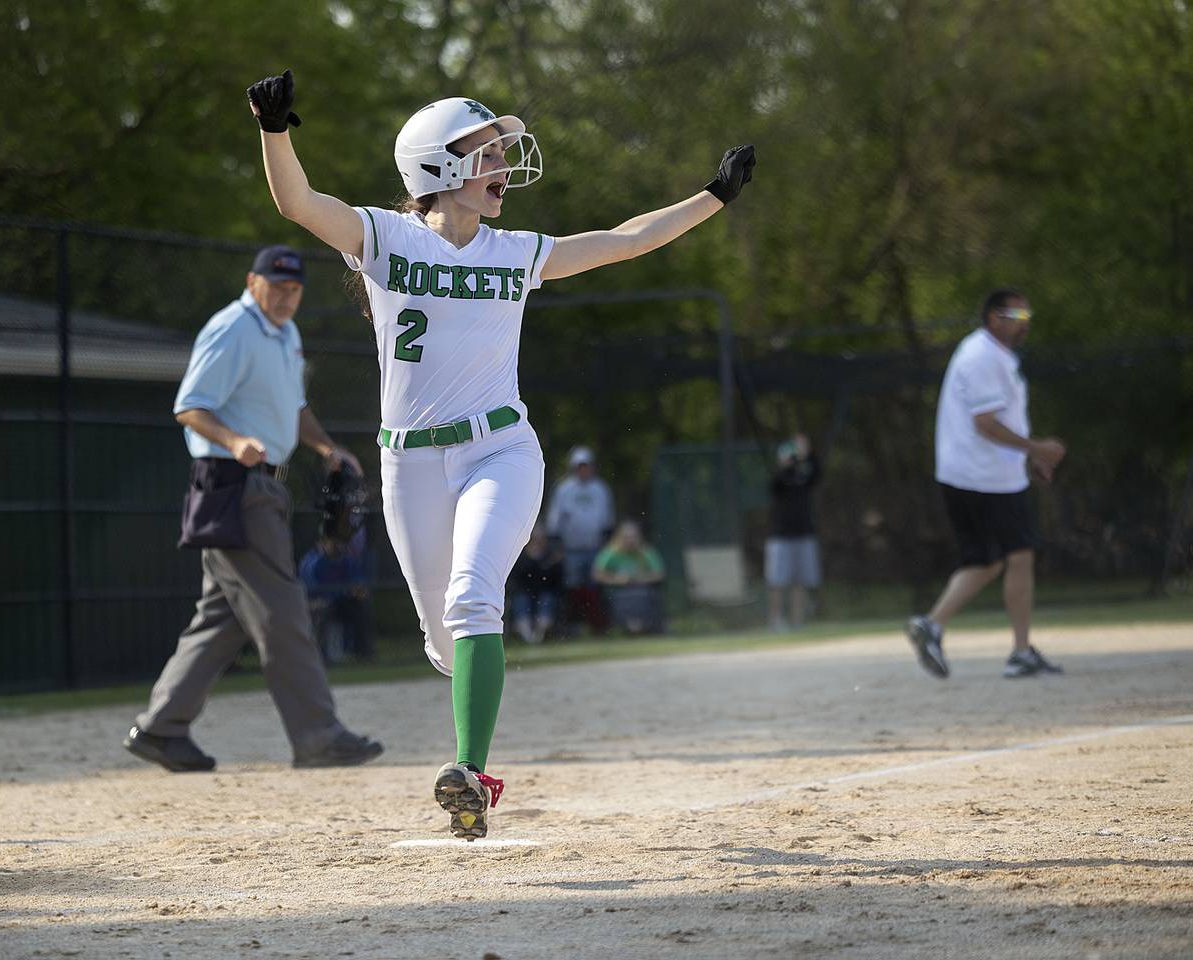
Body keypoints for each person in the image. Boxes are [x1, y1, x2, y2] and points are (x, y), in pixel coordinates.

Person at [247, 68, 755, 839]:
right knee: (446, 643)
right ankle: (467, 692)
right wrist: (274, 130)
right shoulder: (385, 237)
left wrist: (711, 197)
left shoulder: (515, 250)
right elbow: (297, 204)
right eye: (485, 153)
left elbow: (623, 241)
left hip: (501, 450)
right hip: (410, 463)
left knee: (474, 596)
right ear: (437, 167)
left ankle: (470, 771)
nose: (503, 167)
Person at [122, 245, 383, 772]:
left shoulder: (285, 333)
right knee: (284, 612)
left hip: (260, 487)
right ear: (252, 281)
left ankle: (160, 729)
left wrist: (327, 447)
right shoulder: (232, 328)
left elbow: (295, 408)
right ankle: (318, 736)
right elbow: (189, 406)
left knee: (221, 618)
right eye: (277, 286)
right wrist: (235, 439)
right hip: (232, 483)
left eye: (295, 288)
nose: (286, 296)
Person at [906, 289, 1067, 680]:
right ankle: (1017, 650)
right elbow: (986, 424)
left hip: (984, 474)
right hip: (982, 477)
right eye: (1018, 313)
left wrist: (1028, 458)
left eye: (1028, 313)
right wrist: (1037, 450)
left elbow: (999, 419)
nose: (1025, 320)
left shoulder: (994, 355)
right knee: (1015, 554)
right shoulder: (981, 356)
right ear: (995, 317)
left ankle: (937, 627)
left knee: (990, 559)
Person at [545, 445, 616, 633]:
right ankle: (573, 625)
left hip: (595, 547)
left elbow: (607, 520)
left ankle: (597, 625)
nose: (583, 469)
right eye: (580, 466)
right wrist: (556, 546)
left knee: (595, 587)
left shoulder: (600, 489)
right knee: (572, 587)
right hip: (571, 549)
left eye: (587, 465)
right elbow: (555, 520)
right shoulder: (564, 489)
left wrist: (606, 544)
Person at [765, 433, 822, 630]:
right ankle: (775, 621)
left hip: (804, 535)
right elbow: (777, 483)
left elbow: (817, 474)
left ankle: (797, 622)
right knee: (777, 582)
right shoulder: (780, 479)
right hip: (781, 537)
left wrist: (807, 454)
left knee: (800, 582)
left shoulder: (803, 476)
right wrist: (788, 463)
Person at [299, 530, 374, 663]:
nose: (337, 546)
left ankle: (363, 653)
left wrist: (358, 589)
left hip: (339, 601)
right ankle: (319, 656)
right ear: (322, 544)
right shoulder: (315, 563)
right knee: (323, 608)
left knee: (359, 607)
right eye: (332, 543)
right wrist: (344, 592)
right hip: (315, 603)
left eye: (338, 543)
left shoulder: (345, 559)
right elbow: (314, 590)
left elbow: (356, 579)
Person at [592, 520, 666, 634]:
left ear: (639, 537)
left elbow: (659, 574)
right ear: (619, 537)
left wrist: (637, 579)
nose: (630, 540)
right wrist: (616, 579)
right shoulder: (610, 553)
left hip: (642, 592)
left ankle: (648, 627)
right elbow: (597, 575)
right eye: (626, 537)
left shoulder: (646, 552)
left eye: (633, 537)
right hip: (616, 593)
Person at [508, 523, 563, 644]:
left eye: (541, 539)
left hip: (544, 592)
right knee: (521, 600)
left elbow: (554, 579)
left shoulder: (550, 554)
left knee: (546, 599)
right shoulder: (520, 555)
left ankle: (539, 633)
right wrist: (532, 559)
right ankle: (527, 634)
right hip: (524, 592)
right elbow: (517, 578)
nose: (538, 543)